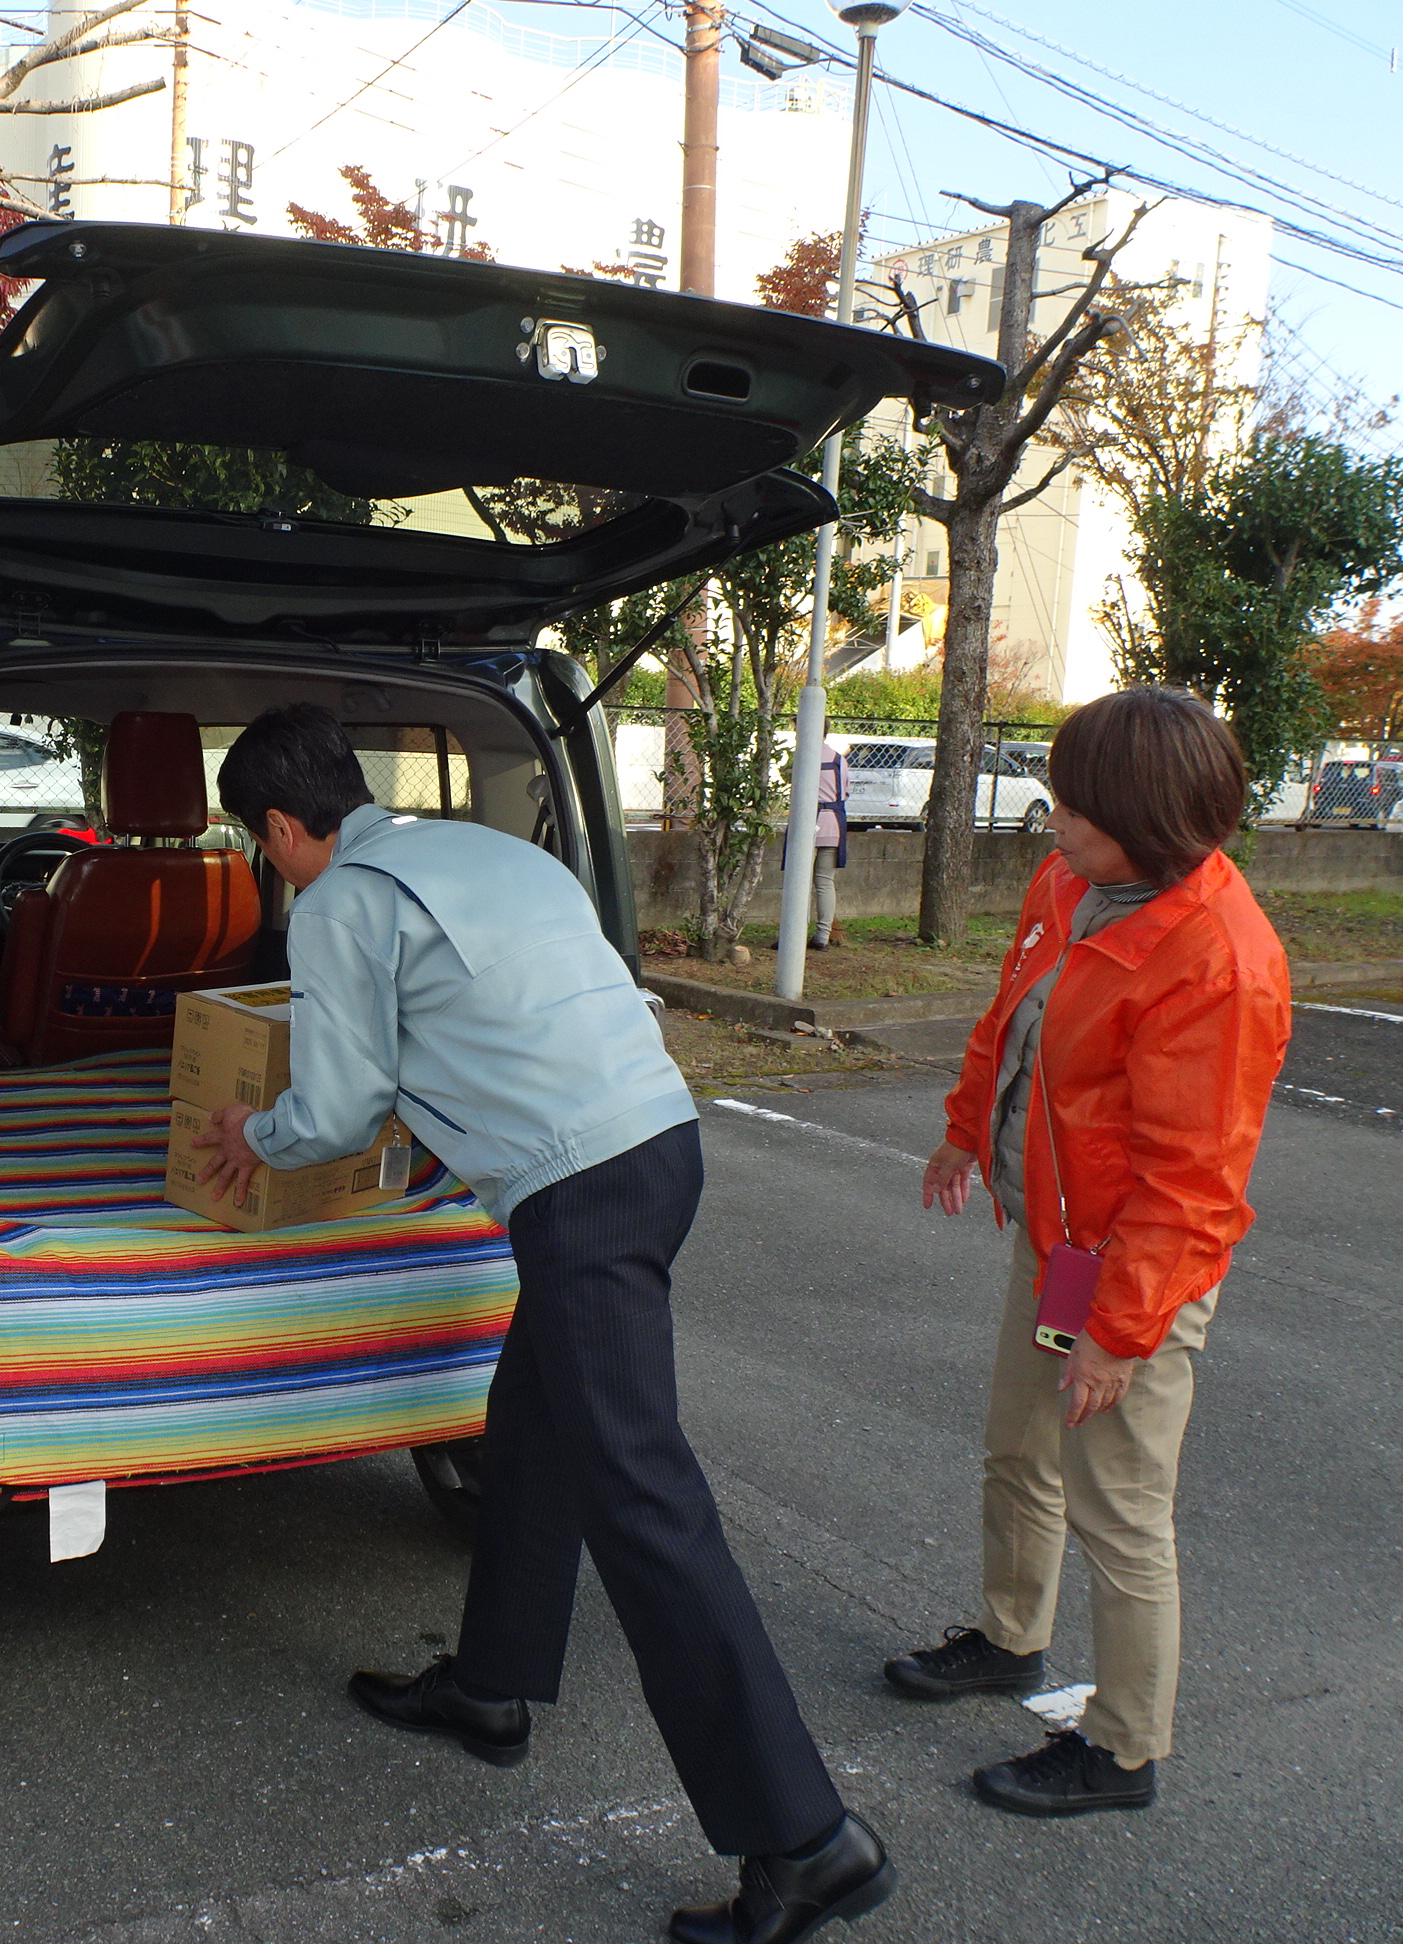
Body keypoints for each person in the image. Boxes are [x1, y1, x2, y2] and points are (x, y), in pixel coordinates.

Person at [194, 705, 894, 1944]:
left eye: (264, 844)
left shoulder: (342, 902)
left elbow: (344, 1102)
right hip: (660, 1149)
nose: (272, 863)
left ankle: (806, 1839)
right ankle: (494, 1688)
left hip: (581, 1197)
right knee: (533, 1428)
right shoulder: (488, 851)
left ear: (282, 828)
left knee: (646, 1503)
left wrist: (257, 1135)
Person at [891, 687, 1290, 1817]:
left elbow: (1194, 1183)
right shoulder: (1072, 882)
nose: (1050, 818)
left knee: (1119, 1506)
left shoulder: (1219, 959)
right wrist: (967, 1130)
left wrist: (1119, 1332)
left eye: (1073, 806)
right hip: (1058, 1240)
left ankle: (1121, 1749)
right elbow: (1011, 1015)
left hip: (1134, 1273)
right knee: (1016, 1447)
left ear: (1149, 822)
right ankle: (1012, 1638)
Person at [785, 745, 849, 950]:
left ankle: (794, 932)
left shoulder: (801, 755)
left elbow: (790, 781)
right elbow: (846, 792)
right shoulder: (839, 759)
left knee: (798, 881)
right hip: (833, 824)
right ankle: (822, 936)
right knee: (825, 882)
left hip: (806, 823)